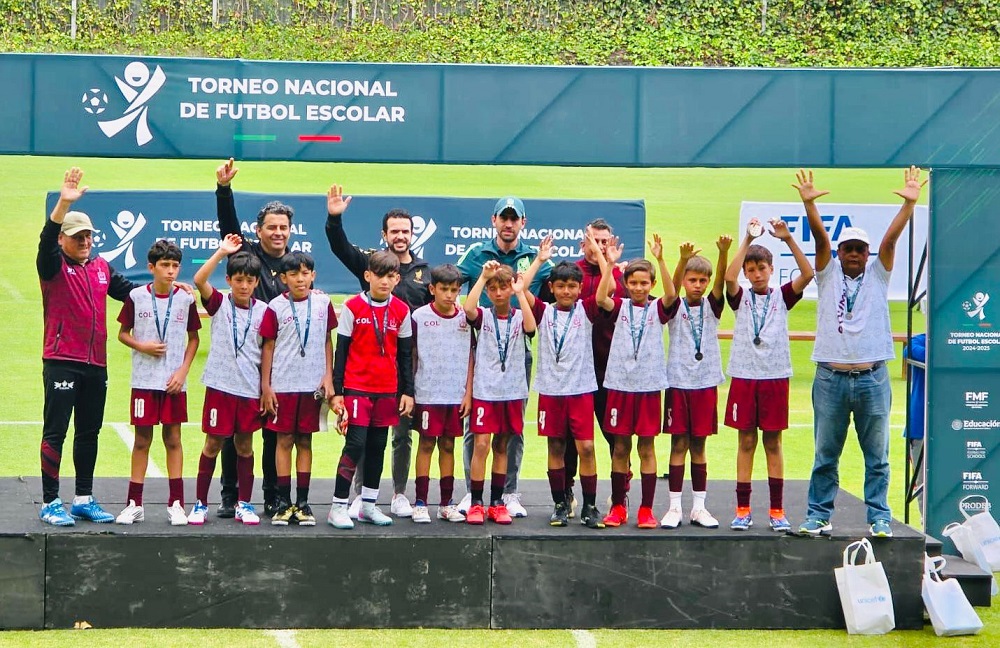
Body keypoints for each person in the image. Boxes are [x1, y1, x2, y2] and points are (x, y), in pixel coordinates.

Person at [796, 167, 925, 538]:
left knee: (878, 457)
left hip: (872, 377)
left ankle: (879, 517)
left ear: (867, 254)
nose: (854, 254)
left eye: (860, 249)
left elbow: (890, 241)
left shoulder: (878, 273)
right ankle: (818, 514)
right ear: (839, 253)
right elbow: (820, 239)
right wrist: (808, 205)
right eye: (847, 248)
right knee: (825, 455)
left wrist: (908, 206)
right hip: (830, 378)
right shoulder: (827, 273)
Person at [36, 167, 138, 526]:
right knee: (56, 431)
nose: (85, 242)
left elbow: (132, 292)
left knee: (89, 431)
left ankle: (83, 498)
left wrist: (176, 293)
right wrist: (63, 204)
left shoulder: (100, 267)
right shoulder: (52, 266)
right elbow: (46, 241)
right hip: (62, 360)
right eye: (77, 237)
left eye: (89, 236)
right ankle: (50, 502)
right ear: (63, 240)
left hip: (96, 363)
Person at [325, 183, 432, 519]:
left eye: (406, 231)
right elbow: (340, 247)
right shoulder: (368, 265)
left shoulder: (424, 272)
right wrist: (334, 220)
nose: (400, 236)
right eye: (394, 231)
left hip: (401, 374)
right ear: (384, 233)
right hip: (360, 378)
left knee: (394, 439)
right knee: (358, 441)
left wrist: (409, 386)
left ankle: (397, 495)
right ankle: (352, 500)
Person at [455, 196, 553, 518]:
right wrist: (484, 277)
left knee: (512, 433)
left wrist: (536, 265)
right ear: (493, 220)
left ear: (523, 222)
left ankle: (508, 493)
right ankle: (474, 495)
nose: (509, 224)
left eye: (515, 219)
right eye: (503, 218)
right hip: (481, 356)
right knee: (477, 433)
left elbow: (553, 300)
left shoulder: (534, 259)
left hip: (517, 357)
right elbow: (456, 293)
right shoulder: (477, 254)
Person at [723, 218, 814, 532]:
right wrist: (747, 240)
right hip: (745, 377)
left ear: (771, 269)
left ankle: (777, 510)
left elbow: (808, 273)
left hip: (775, 377)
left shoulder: (783, 296)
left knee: (773, 443)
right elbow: (728, 278)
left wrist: (788, 239)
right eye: (751, 270)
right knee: (746, 442)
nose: (756, 274)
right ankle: (742, 509)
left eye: (762, 268)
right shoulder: (740, 297)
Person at [215, 158, 293, 518]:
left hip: (281, 362)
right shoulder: (250, 258)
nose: (278, 232)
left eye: (284, 227)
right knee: (236, 431)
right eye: (272, 227)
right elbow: (228, 227)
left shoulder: (296, 267)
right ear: (259, 230)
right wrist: (224, 189)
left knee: (274, 433)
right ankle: (230, 495)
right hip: (245, 360)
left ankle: (273, 495)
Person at [519, 236, 606, 529]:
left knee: (587, 449)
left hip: (581, 392)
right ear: (552, 288)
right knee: (555, 447)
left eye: (572, 286)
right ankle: (559, 503)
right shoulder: (543, 311)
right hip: (551, 391)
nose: (566, 291)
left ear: (580, 289)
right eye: (561, 286)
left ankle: (591, 506)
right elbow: (522, 288)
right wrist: (540, 261)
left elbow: (609, 286)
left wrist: (602, 256)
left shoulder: (587, 310)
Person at [327, 251, 416, 529]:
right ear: (368, 276)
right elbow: (341, 351)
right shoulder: (352, 307)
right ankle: (338, 506)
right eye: (379, 275)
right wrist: (338, 391)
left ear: (397, 278)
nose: (385, 281)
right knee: (355, 444)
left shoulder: (402, 310)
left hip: (387, 391)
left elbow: (404, 356)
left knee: (378, 446)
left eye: (391, 276)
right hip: (356, 388)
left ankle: (368, 505)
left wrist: (407, 391)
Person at [115, 240, 201, 526]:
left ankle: (176, 504)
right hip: (143, 381)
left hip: (174, 383)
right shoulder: (137, 296)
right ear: (151, 267)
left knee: (173, 439)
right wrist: (142, 346)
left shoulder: (185, 298)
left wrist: (183, 372)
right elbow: (122, 333)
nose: (171, 271)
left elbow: (194, 338)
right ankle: (133, 504)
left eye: (175, 266)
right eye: (165, 265)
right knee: (142, 441)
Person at [596, 236, 676, 528]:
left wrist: (662, 260)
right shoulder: (619, 307)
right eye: (634, 283)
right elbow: (600, 299)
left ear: (651, 285)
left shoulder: (658, 308)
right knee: (620, 448)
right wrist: (610, 266)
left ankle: (646, 509)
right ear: (626, 284)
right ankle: (618, 506)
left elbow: (671, 295)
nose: (639, 288)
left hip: (648, 387)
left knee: (647, 448)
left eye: (644, 283)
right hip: (619, 386)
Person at [189, 234, 269, 526]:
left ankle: (244, 503)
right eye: (238, 280)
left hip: (249, 390)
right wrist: (221, 251)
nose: (244, 285)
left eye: (249, 281)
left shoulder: (264, 312)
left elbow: (267, 352)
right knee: (212, 444)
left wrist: (265, 389)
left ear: (256, 283)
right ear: (229, 280)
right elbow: (199, 279)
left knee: (245, 447)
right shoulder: (220, 304)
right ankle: (199, 504)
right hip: (220, 388)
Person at [259, 252, 336, 527]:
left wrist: (329, 376)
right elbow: (267, 346)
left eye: (305, 273)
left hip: (312, 386)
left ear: (313, 276)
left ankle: (302, 503)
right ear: (283, 278)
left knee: (305, 441)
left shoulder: (323, 302)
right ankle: (282, 502)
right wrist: (266, 385)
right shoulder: (275, 307)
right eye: (293, 274)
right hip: (283, 385)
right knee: (284, 441)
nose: (300, 279)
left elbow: (327, 340)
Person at [660, 236, 731, 530]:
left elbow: (719, 287)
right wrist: (678, 261)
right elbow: (670, 290)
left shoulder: (713, 307)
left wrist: (723, 253)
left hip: (704, 385)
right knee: (678, 444)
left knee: (699, 446)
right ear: (685, 281)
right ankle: (675, 507)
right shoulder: (674, 306)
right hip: (678, 382)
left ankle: (699, 508)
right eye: (693, 280)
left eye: (703, 280)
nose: (698, 285)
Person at [462, 261, 537, 525]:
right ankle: (476, 502)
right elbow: (467, 308)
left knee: (502, 446)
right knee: (481, 445)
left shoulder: (518, 315)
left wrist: (519, 291)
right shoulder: (483, 316)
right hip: (486, 390)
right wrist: (482, 278)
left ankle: (496, 502)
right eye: (493, 289)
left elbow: (531, 327)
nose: (498, 293)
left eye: (502, 287)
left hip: (512, 392)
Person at [563, 218, 627, 514]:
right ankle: (566, 494)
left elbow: (612, 295)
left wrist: (608, 263)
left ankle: (619, 495)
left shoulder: (618, 275)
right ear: (582, 242)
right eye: (593, 239)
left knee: (615, 434)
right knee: (569, 439)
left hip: (608, 369)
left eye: (604, 241)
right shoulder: (570, 273)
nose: (599, 245)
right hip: (573, 371)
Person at [409, 264, 474, 523]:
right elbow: (411, 355)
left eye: (454, 290)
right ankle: (421, 502)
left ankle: (446, 504)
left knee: (448, 446)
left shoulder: (467, 319)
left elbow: (471, 357)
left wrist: (468, 393)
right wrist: (410, 392)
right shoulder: (419, 317)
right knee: (426, 444)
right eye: (444, 289)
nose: (449, 295)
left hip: (455, 396)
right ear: (432, 289)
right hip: (426, 394)